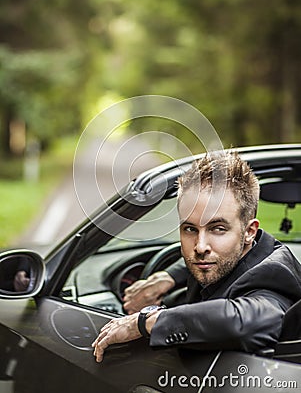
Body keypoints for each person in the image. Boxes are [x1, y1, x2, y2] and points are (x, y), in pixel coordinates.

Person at [92, 151, 301, 363]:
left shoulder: (274, 276)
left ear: (249, 232)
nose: (200, 247)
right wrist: (169, 277)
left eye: (218, 228)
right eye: (190, 229)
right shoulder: (230, 255)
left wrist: (145, 322)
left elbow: (246, 321)